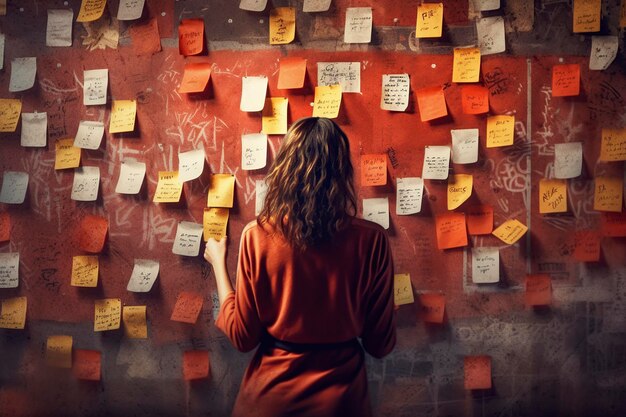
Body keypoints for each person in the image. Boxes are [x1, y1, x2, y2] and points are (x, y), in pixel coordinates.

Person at [204, 117, 396, 417]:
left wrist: (218, 262)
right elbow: (380, 345)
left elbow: (243, 337)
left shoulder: (257, 236)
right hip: (341, 403)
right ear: (342, 172)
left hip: (270, 400)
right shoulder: (372, 242)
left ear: (284, 169)